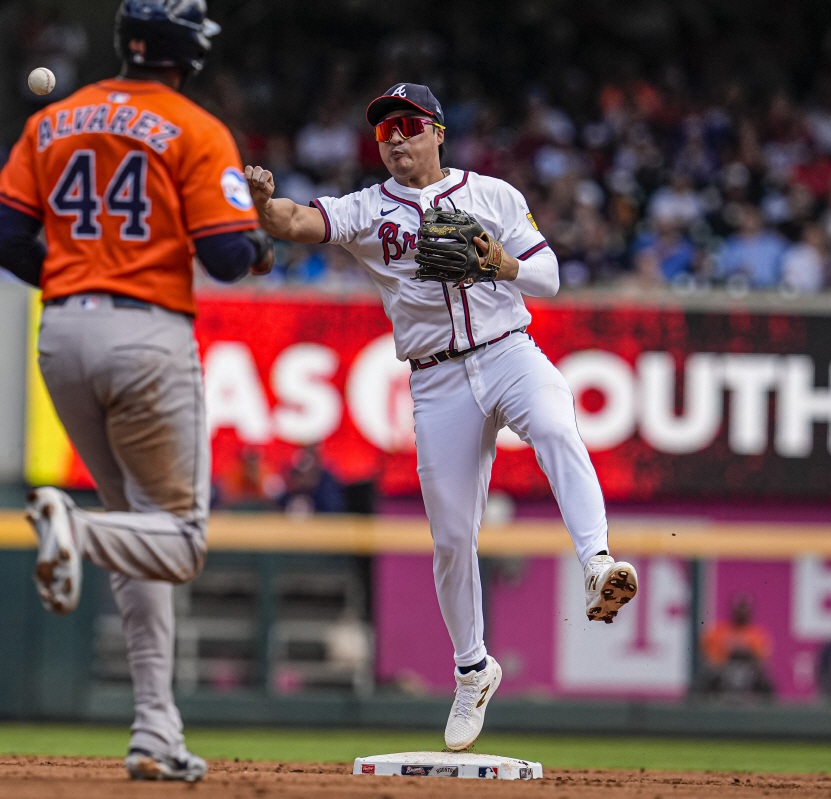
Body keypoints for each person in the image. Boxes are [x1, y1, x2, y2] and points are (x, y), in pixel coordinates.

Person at [243, 83, 638, 752]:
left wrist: (498, 262)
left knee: (552, 422)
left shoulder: (492, 195)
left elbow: (549, 278)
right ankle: (473, 668)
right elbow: (293, 222)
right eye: (383, 131)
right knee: (453, 536)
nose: (395, 138)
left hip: (509, 348)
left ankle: (597, 562)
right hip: (437, 378)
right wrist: (259, 203)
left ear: (438, 131)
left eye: (407, 124)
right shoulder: (369, 209)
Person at [0, 0, 273, 783]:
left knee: (141, 536)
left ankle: (155, 731)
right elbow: (223, 255)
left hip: (63, 333)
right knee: (179, 540)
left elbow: (6, 238)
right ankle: (68, 526)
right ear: (190, 54)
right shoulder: (196, 125)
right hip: (146, 336)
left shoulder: (56, 117)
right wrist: (258, 240)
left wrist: (81, 283)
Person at [697, 595, 774, 700]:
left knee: (766, 681)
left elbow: (761, 659)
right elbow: (709, 657)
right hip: (723, 671)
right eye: (739, 608)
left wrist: (744, 652)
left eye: (745, 609)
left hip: (748, 673)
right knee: (705, 678)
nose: (742, 612)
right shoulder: (719, 632)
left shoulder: (757, 634)